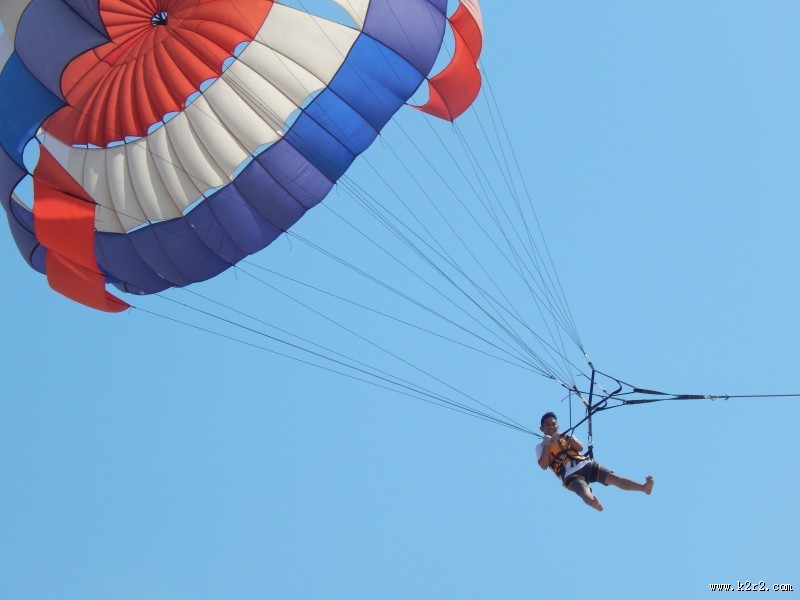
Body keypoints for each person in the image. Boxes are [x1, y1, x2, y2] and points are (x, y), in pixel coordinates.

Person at [536, 411, 654, 511]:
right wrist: (547, 443)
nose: (550, 426)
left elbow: (580, 447)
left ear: (557, 426)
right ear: (541, 429)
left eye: (553, 424)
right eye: (546, 425)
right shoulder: (540, 446)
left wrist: (566, 437)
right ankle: (593, 502)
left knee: (613, 478)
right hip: (570, 475)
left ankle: (644, 488)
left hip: (586, 465)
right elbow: (543, 465)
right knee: (584, 490)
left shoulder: (566, 436)